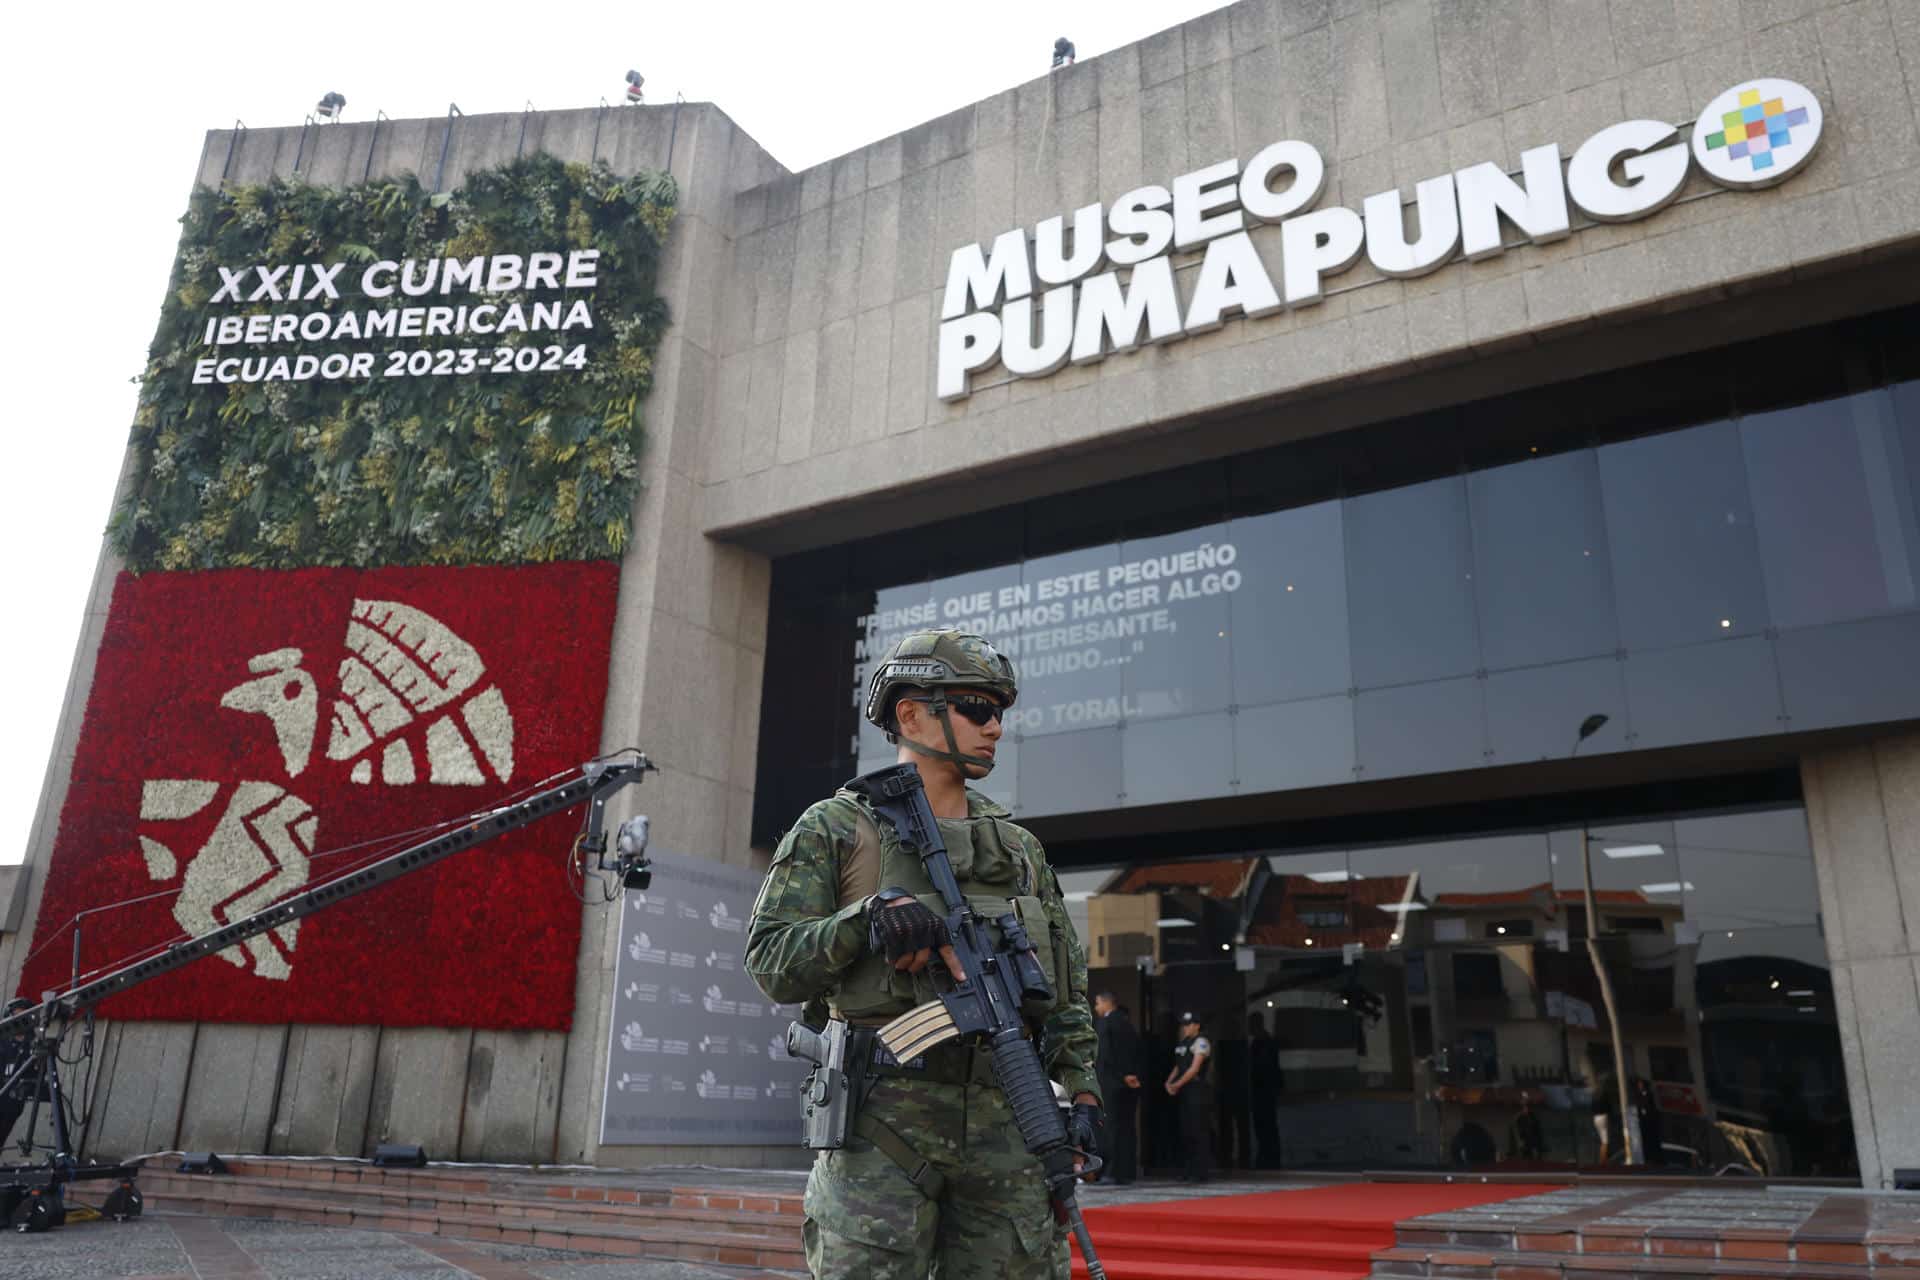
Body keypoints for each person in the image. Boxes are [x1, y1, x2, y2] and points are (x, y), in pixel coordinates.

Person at [746, 628, 1101, 1279]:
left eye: (1000, 712)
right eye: (976, 707)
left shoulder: (1020, 851)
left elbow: (1068, 997)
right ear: (911, 713)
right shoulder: (836, 828)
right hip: (880, 1127)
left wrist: (1081, 1098)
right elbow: (771, 962)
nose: (995, 726)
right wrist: (865, 922)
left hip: (1008, 1126)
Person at [1094, 993, 1143, 1184]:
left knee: (1112, 1128)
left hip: (1111, 1083)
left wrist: (1122, 1074)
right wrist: (1131, 1075)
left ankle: (1112, 1171)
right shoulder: (1126, 1023)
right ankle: (1127, 1170)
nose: (1096, 1008)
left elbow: (1106, 1055)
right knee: (1127, 1127)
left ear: (1107, 1003)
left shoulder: (1107, 1024)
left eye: (1097, 1003)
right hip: (1126, 1084)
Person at [1166, 1011, 1213, 1183]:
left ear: (1197, 1025)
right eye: (1183, 1024)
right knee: (1185, 1130)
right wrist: (1169, 1082)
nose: (1185, 1028)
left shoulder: (1201, 1042)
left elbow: (1194, 1069)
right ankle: (1187, 1169)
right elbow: (1179, 1066)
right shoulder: (1183, 1042)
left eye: (1188, 1024)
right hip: (1184, 1090)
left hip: (1197, 1090)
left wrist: (1176, 1085)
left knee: (1198, 1130)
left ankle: (1200, 1172)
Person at [1247, 1011, 1282, 1169]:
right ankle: (1268, 1157)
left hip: (1263, 1090)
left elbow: (1263, 1068)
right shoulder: (1263, 1042)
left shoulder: (1263, 1043)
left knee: (1265, 1125)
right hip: (1263, 1090)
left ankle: (1268, 1158)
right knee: (1265, 1126)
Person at [1506, 1094, 1545, 1162]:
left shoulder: (1534, 1118)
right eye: (1522, 1106)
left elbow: (1538, 1133)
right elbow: (1515, 1133)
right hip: (1524, 1146)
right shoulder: (1518, 1119)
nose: (1524, 1108)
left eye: (1525, 1105)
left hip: (1532, 1145)